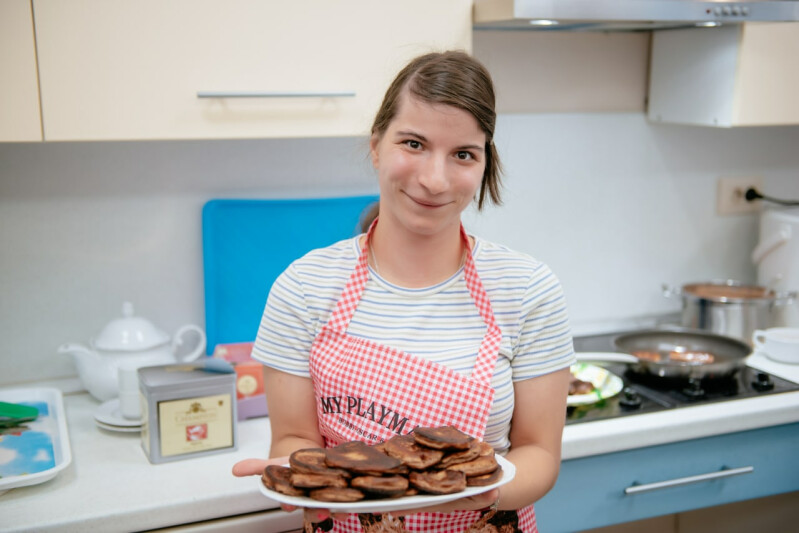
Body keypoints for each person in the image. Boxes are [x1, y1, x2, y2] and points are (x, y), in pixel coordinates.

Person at [232, 50, 574, 533]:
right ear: (376, 146)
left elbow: (539, 453)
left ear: (483, 166)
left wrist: (458, 496)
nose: (434, 180)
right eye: (413, 143)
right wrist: (299, 479)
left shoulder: (528, 290)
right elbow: (293, 437)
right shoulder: (304, 288)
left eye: (462, 154)